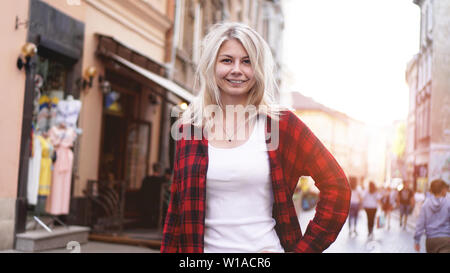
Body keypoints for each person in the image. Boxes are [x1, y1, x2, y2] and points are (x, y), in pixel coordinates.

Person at [160, 22, 350, 253]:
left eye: (247, 61)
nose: (237, 69)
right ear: (212, 66)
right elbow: (177, 212)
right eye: (227, 60)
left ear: (258, 69)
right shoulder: (191, 128)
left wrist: (304, 250)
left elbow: (337, 185)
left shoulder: (281, 125)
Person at [414, 179, 450, 253]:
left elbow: (420, 224)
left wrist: (417, 240)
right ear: (443, 190)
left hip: (431, 240)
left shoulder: (426, 204)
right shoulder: (448, 203)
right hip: (446, 239)